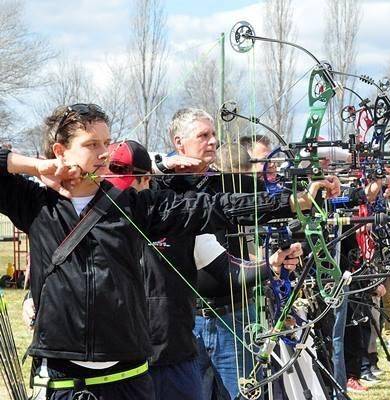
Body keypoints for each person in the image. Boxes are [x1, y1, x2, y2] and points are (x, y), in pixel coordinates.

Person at [2, 103, 338, 400]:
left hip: (128, 371)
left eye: (106, 142)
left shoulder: (132, 205)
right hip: (64, 372)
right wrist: (34, 166)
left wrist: (294, 201)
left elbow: (212, 206)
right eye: (91, 145)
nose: (103, 153)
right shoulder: (36, 204)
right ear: (61, 151)